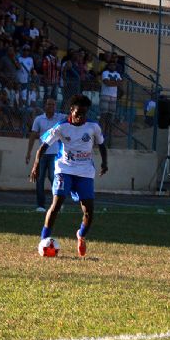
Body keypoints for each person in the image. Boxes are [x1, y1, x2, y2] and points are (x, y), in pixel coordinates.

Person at [29, 94, 107, 257]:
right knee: (57, 204)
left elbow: (102, 145)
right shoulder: (61, 126)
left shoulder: (93, 127)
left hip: (85, 172)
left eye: (84, 114)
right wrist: (36, 165)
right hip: (65, 169)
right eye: (78, 113)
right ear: (71, 110)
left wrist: (104, 163)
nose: (81, 117)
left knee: (89, 211)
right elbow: (42, 147)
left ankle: (81, 235)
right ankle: (44, 240)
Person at [26, 98, 67, 211]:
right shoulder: (39, 119)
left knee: (54, 178)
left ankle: (58, 204)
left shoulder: (60, 118)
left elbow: (71, 118)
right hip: (43, 154)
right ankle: (40, 205)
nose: (51, 106)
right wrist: (29, 153)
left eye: (53, 105)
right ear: (45, 106)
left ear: (56, 106)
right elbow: (33, 136)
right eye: (49, 104)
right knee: (39, 179)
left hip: (56, 154)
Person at [100, 61, 122, 144]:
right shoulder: (105, 72)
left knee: (110, 117)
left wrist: (112, 83)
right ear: (108, 65)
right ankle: (100, 134)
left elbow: (120, 83)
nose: (113, 66)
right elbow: (106, 83)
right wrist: (115, 83)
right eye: (111, 64)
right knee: (103, 115)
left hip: (114, 96)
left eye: (114, 65)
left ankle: (107, 136)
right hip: (105, 95)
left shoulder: (118, 74)